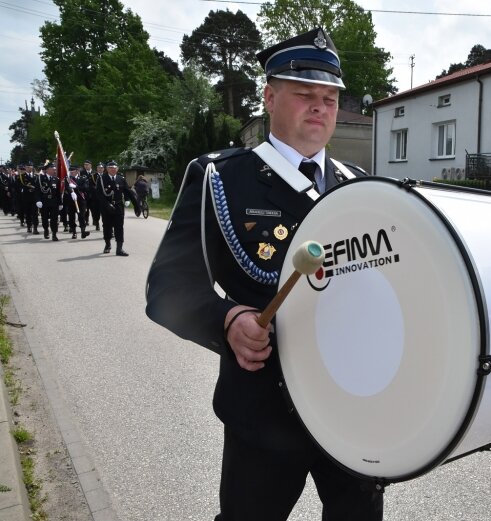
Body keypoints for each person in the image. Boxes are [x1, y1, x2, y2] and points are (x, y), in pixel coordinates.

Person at [145, 28, 383, 521]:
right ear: (270, 97)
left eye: (329, 98)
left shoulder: (359, 187)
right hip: (264, 414)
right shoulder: (220, 177)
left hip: (352, 407)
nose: (319, 107)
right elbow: (166, 287)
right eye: (304, 94)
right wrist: (227, 318)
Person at [96, 160, 138, 256]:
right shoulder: (102, 179)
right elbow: (99, 194)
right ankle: (107, 244)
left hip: (118, 206)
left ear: (117, 169)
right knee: (107, 226)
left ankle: (119, 249)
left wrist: (136, 205)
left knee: (119, 227)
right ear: (107, 169)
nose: (113, 170)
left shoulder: (121, 178)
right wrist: (107, 204)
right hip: (106, 207)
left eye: (115, 168)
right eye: (111, 168)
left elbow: (128, 192)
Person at [35, 162, 62, 241]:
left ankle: (54, 234)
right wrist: (38, 201)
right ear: (47, 170)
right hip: (44, 202)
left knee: (54, 219)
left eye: (54, 169)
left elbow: (58, 193)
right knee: (45, 218)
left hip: (54, 202)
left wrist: (60, 203)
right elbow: (37, 191)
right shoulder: (40, 179)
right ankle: (46, 229)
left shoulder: (56, 179)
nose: (54, 170)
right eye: (52, 169)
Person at [63, 163, 91, 239]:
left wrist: (76, 186)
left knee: (81, 216)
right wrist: (71, 192)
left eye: (73, 171)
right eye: (70, 171)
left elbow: (85, 188)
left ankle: (83, 231)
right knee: (71, 217)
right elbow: (67, 187)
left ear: (77, 171)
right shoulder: (68, 179)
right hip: (71, 200)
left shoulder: (83, 178)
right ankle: (74, 232)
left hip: (81, 200)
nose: (71, 172)